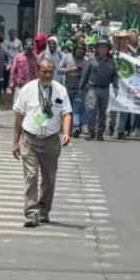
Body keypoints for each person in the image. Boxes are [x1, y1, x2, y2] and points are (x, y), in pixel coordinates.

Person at [12, 59, 71, 228]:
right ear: (37, 72)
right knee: (31, 176)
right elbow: (18, 117)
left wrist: (66, 133)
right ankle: (31, 213)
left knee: (49, 178)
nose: (48, 75)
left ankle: (44, 209)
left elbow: (66, 114)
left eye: (50, 72)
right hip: (30, 139)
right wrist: (15, 142)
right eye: (44, 71)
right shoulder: (28, 89)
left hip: (51, 141)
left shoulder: (60, 90)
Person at [79, 38, 118, 141]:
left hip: (105, 88)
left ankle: (100, 132)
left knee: (102, 111)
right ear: (97, 48)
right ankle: (91, 131)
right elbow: (85, 74)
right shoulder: (91, 59)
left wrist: (115, 86)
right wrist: (81, 87)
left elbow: (115, 75)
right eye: (100, 47)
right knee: (92, 109)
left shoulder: (111, 61)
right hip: (93, 88)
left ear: (107, 49)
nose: (102, 49)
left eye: (104, 47)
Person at [59, 42, 88, 138]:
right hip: (67, 88)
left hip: (79, 89)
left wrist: (83, 72)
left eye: (82, 51)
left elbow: (89, 75)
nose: (80, 52)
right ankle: (68, 128)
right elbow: (59, 70)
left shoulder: (86, 61)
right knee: (67, 110)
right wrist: (70, 70)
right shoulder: (67, 57)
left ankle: (76, 127)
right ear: (74, 50)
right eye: (78, 50)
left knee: (77, 109)